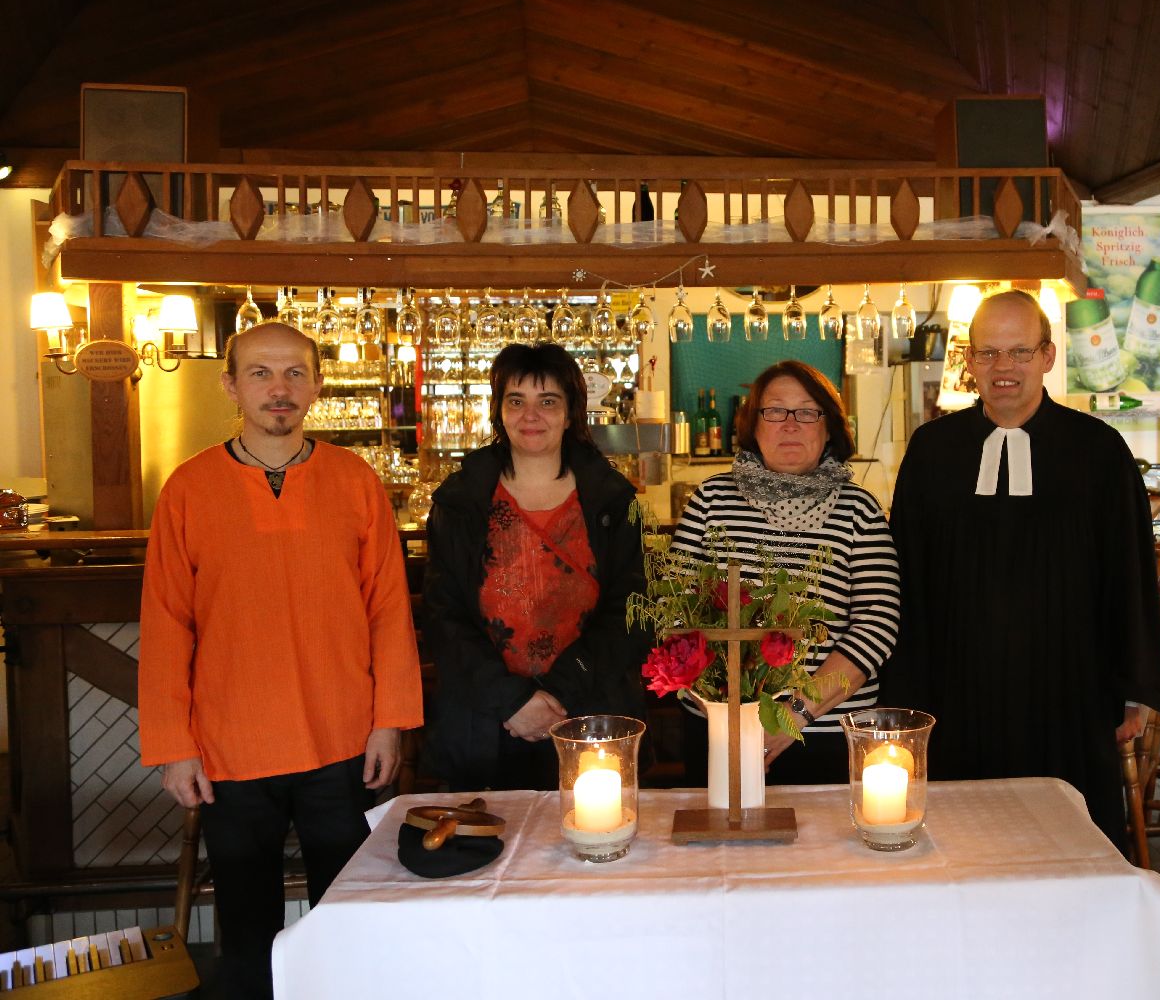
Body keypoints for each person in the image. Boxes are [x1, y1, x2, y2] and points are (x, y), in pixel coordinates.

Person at [139, 321, 422, 1000]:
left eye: (295, 372)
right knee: (245, 928)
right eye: (261, 373)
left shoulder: (355, 482)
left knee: (345, 918)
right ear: (230, 384)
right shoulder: (188, 489)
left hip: (341, 740)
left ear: (318, 384)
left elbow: (389, 609)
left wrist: (390, 722)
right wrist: (174, 746)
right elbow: (166, 624)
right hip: (230, 747)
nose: (279, 389)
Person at [884, 289, 1160, 853]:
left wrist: (1135, 686)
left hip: (1070, 689)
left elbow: (1130, 573)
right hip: (957, 691)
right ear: (969, 362)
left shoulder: (1100, 452)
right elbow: (905, 577)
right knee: (961, 844)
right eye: (987, 353)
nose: (1003, 368)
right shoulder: (932, 450)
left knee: (1071, 844)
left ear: (1047, 357)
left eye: (1018, 352)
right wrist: (904, 692)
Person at [423, 342, 649, 791]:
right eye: (516, 401)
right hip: (485, 720)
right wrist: (514, 701)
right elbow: (442, 615)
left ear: (570, 413)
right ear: (499, 411)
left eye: (548, 402)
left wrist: (558, 694)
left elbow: (634, 609)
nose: (531, 416)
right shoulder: (460, 500)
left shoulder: (612, 499)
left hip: (589, 714)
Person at [671, 360, 900, 784]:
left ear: (829, 427)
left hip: (825, 732)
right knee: (716, 848)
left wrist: (793, 715)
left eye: (808, 411)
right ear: (753, 426)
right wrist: (725, 713)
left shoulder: (859, 510)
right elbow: (674, 611)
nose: (790, 424)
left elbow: (877, 623)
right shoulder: (710, 500)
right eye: (775, 411)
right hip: (720, 729)